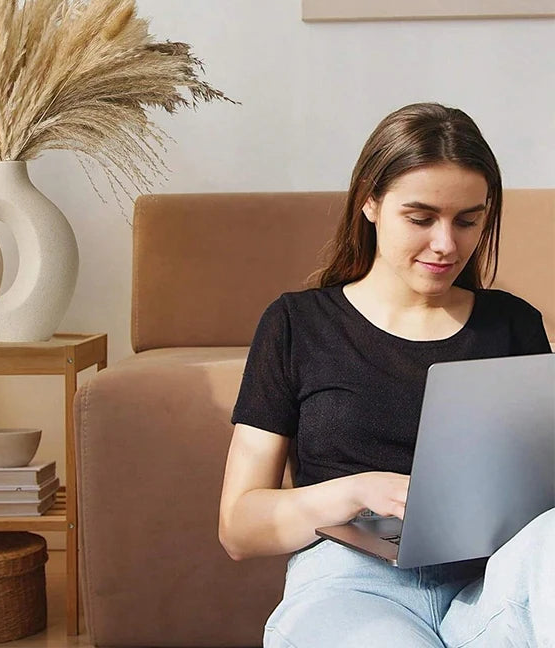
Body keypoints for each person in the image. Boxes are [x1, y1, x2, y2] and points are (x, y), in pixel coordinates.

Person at [218, 103, 553, 647]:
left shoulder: (512, 324)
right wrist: (358, 491)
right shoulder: (297, 324)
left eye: (468, 220)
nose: (447, 244)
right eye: (421, 219)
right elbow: (238, 525)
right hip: (352, 585)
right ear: (370, 202)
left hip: (491, 586)